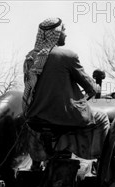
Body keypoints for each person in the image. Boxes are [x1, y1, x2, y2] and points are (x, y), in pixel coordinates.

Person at [23, 17, 110, 159]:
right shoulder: (67, 56)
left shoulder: (31, 57)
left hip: (35, 118)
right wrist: (96, 87)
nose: (65, 34)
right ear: (56, 34)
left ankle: (36, 163)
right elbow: (90, 87)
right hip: (65, 116)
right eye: (63, 30)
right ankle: (101, 161)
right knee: (102, 117)